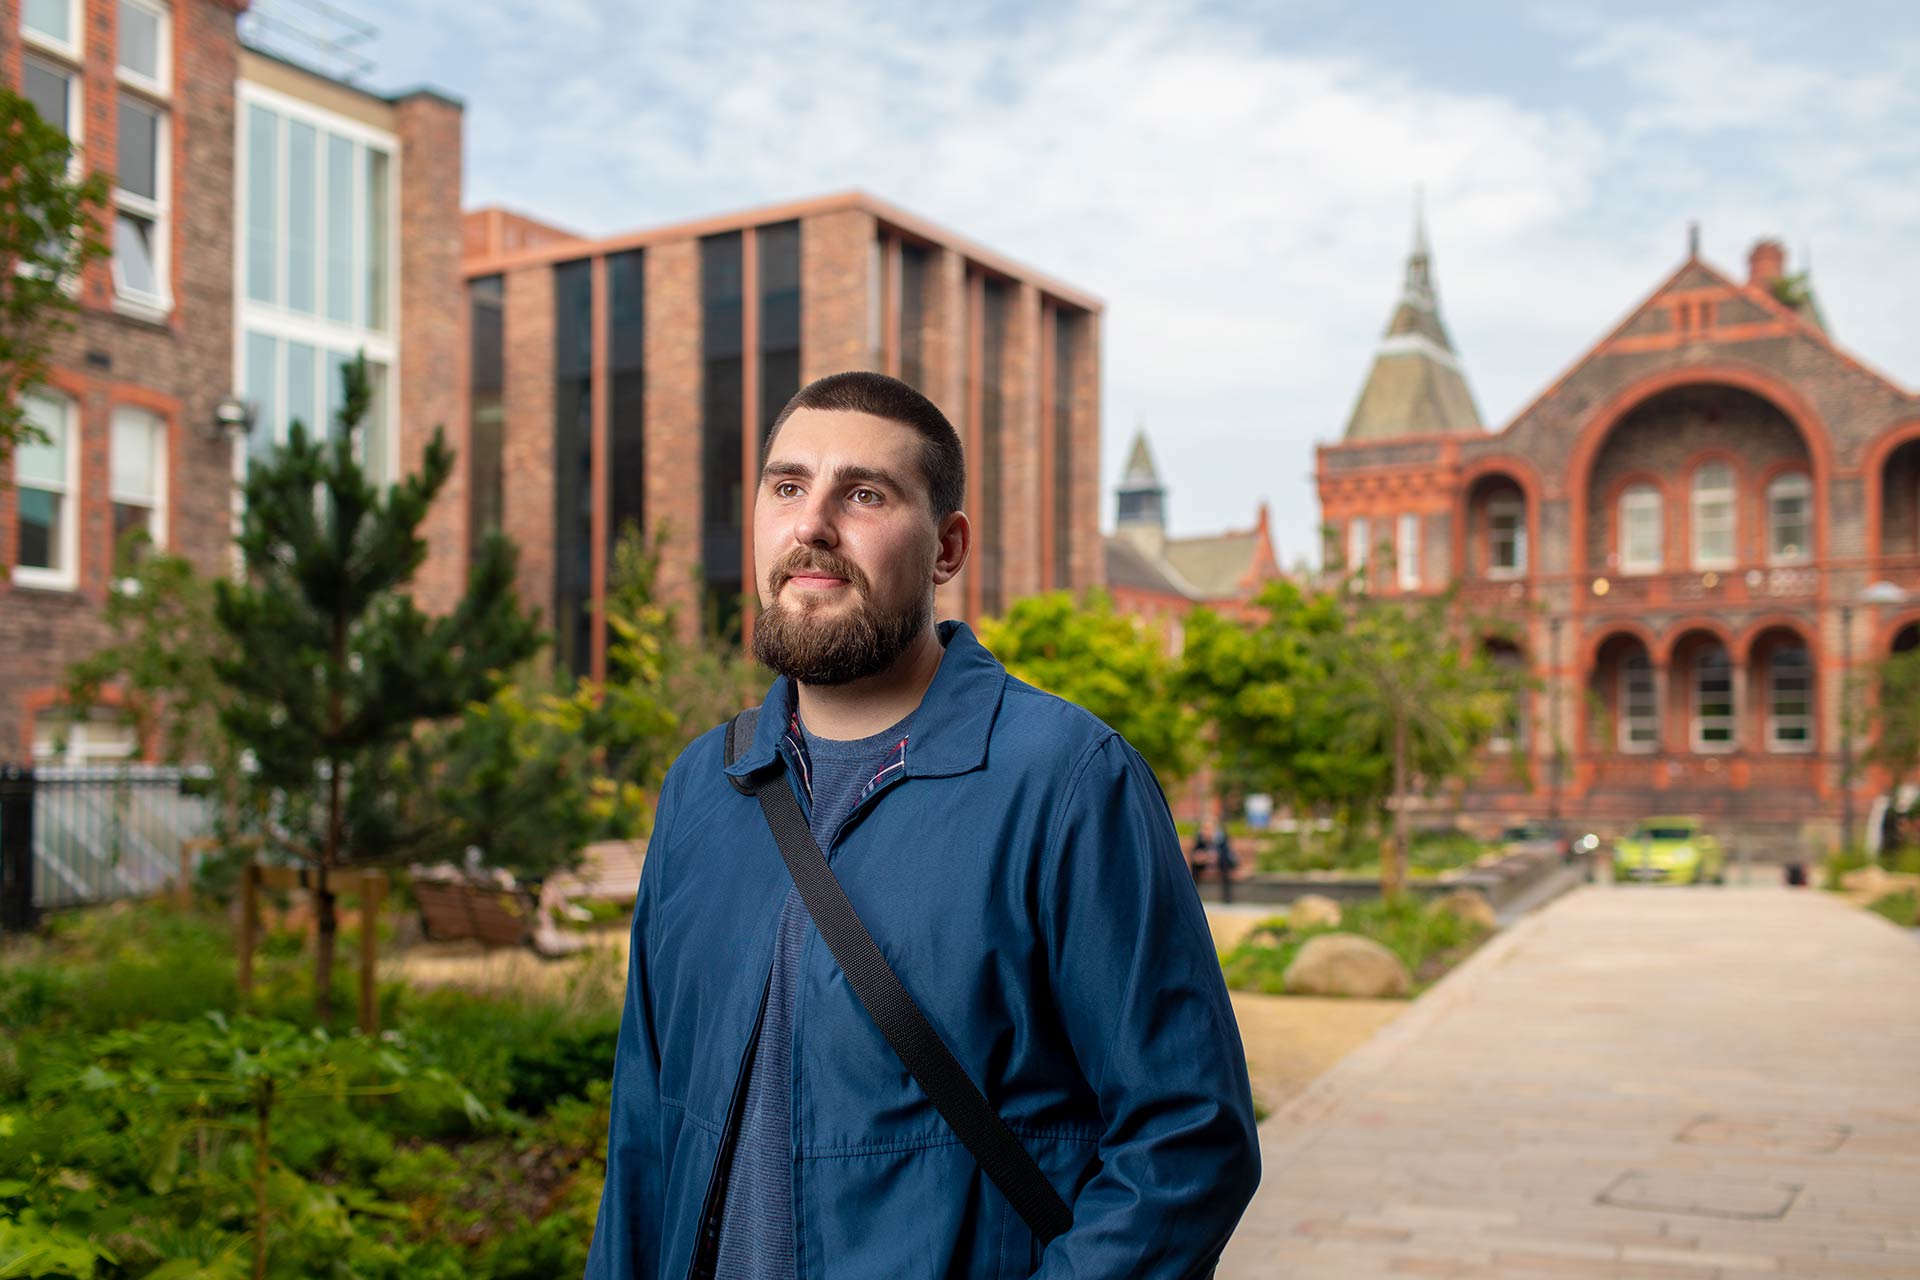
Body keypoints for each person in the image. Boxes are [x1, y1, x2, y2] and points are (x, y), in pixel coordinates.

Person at [586, 372, 1259, 1278]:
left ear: (947, 549)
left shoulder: (1065, 781)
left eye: (863, 494)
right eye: (787, 487)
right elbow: (642, 1131)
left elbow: (1187, 1139)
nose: (811, 524)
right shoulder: (703, 790)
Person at [1192, 819, 1240, 905]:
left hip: (1220, 862)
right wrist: (1199, 856)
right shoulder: (1200, 838)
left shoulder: (1221, 837)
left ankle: (1227, 898)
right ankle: (1192, 895)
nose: (1206, 831)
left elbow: (1226, 854)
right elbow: (1195, 853)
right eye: (1204, 828)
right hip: (1206, 863)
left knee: (1225, 866)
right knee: (1195, 866)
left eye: (1209, 828)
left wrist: (1215, 856)